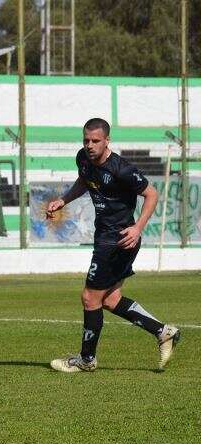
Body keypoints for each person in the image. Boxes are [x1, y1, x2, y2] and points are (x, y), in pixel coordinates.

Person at [46, 118, 180, 373]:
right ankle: (164, 332)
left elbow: (151, 193)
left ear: (107, 140)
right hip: (104, 236)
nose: (89, 145)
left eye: (95, 141)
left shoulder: (122, 169)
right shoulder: (83, 159)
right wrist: (63, 200)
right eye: (86, 140)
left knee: (89, 297)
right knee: (110, 300)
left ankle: (86, 359)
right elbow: (84, 182)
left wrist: (138, 227)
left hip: (118, 239)